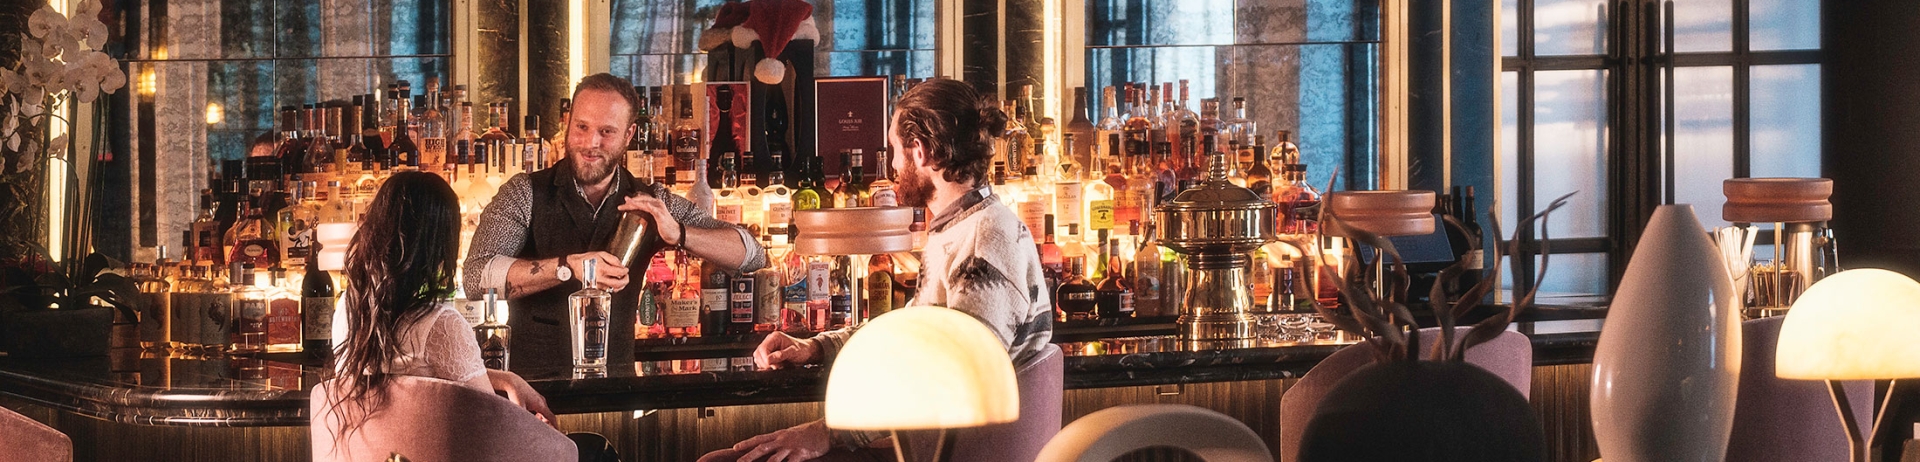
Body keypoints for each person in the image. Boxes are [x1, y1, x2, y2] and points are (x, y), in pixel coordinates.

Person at [702, 78, 1056, 462]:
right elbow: (905, 332)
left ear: (919, 152)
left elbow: (959, 376)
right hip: (932, 443)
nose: (892, 164)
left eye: (894, 149)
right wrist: (816, 348)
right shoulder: (964, 228)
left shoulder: (982, 243)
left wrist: (830, 432)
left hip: (951, 452)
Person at [464, 73, 769, 376]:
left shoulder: (651, 201)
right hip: (533, 391)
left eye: (606, 131)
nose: (590, 143)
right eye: (581, 127)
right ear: (568, 123)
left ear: (628, 135)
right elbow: (476, 277)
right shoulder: (525, 192)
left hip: (617, 390)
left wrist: (678, 232)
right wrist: (568, 267)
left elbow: (753, 254)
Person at [323, 171, 618, 461]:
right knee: (594, 449)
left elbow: (409, 381)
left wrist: (502, 377)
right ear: (441, 242)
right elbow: (490, 424)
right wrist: (532, 427)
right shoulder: (440, 323)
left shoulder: (348, 309)